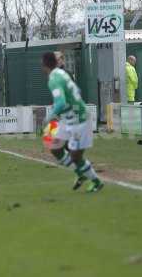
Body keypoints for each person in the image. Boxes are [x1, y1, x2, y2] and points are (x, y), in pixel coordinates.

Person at [42, 52, 104, 192]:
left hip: (79, 120)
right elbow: (76, 91)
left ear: (45, 66)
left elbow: (61, 102)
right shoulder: (62, 73)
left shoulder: (53, 79)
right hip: (68, 119)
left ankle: (96, 181)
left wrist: (49, 117)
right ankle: (80, 173)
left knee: (76, 156)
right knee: (55, 147)